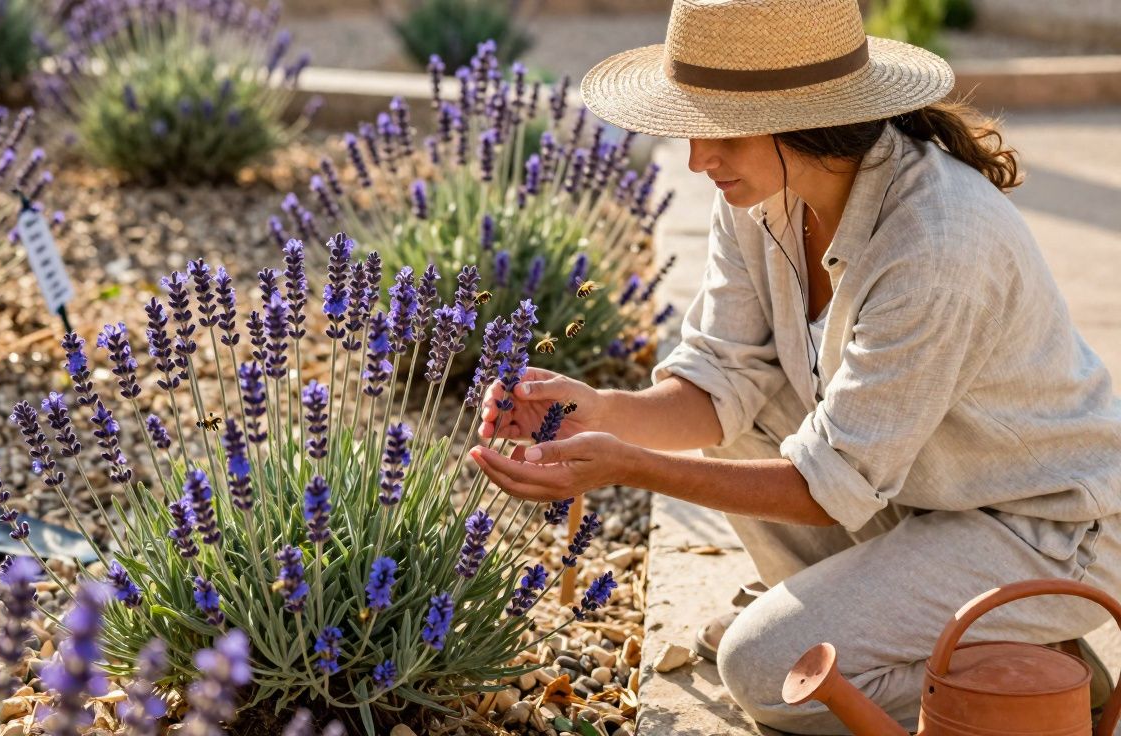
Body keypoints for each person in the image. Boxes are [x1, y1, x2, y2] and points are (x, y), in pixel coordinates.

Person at [467, 0, 1121, 732]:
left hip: (1041, 525)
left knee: (761, 668)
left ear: (808, 120)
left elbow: (829, 484)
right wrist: (598, 411)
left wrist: (629, 466)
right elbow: (720, 382)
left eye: (721, 133)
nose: (696, 159)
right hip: (918, 494)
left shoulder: (936, 245)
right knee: (747, 410)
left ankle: (1038, 679)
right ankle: (966, 637)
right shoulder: (767, 192)